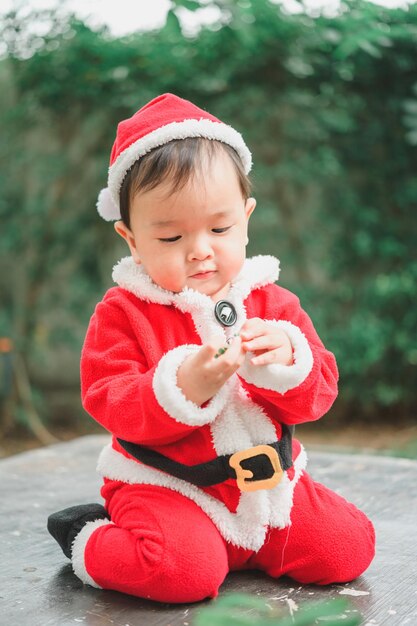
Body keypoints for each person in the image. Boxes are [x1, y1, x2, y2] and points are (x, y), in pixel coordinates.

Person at [47, 93, 375, 603]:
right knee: (184, 574)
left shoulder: (272, 300)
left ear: (245, 218)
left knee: (348, 548)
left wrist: (289, 360)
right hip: (169, 486)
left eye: (220, 229)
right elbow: (108, 397)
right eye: (172, 236)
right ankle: (88, 537)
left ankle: (246, 545)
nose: (201, 249)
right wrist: (179, 388)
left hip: (267, 487)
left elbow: (319, 394)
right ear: (131, 239)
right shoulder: (123, 312)